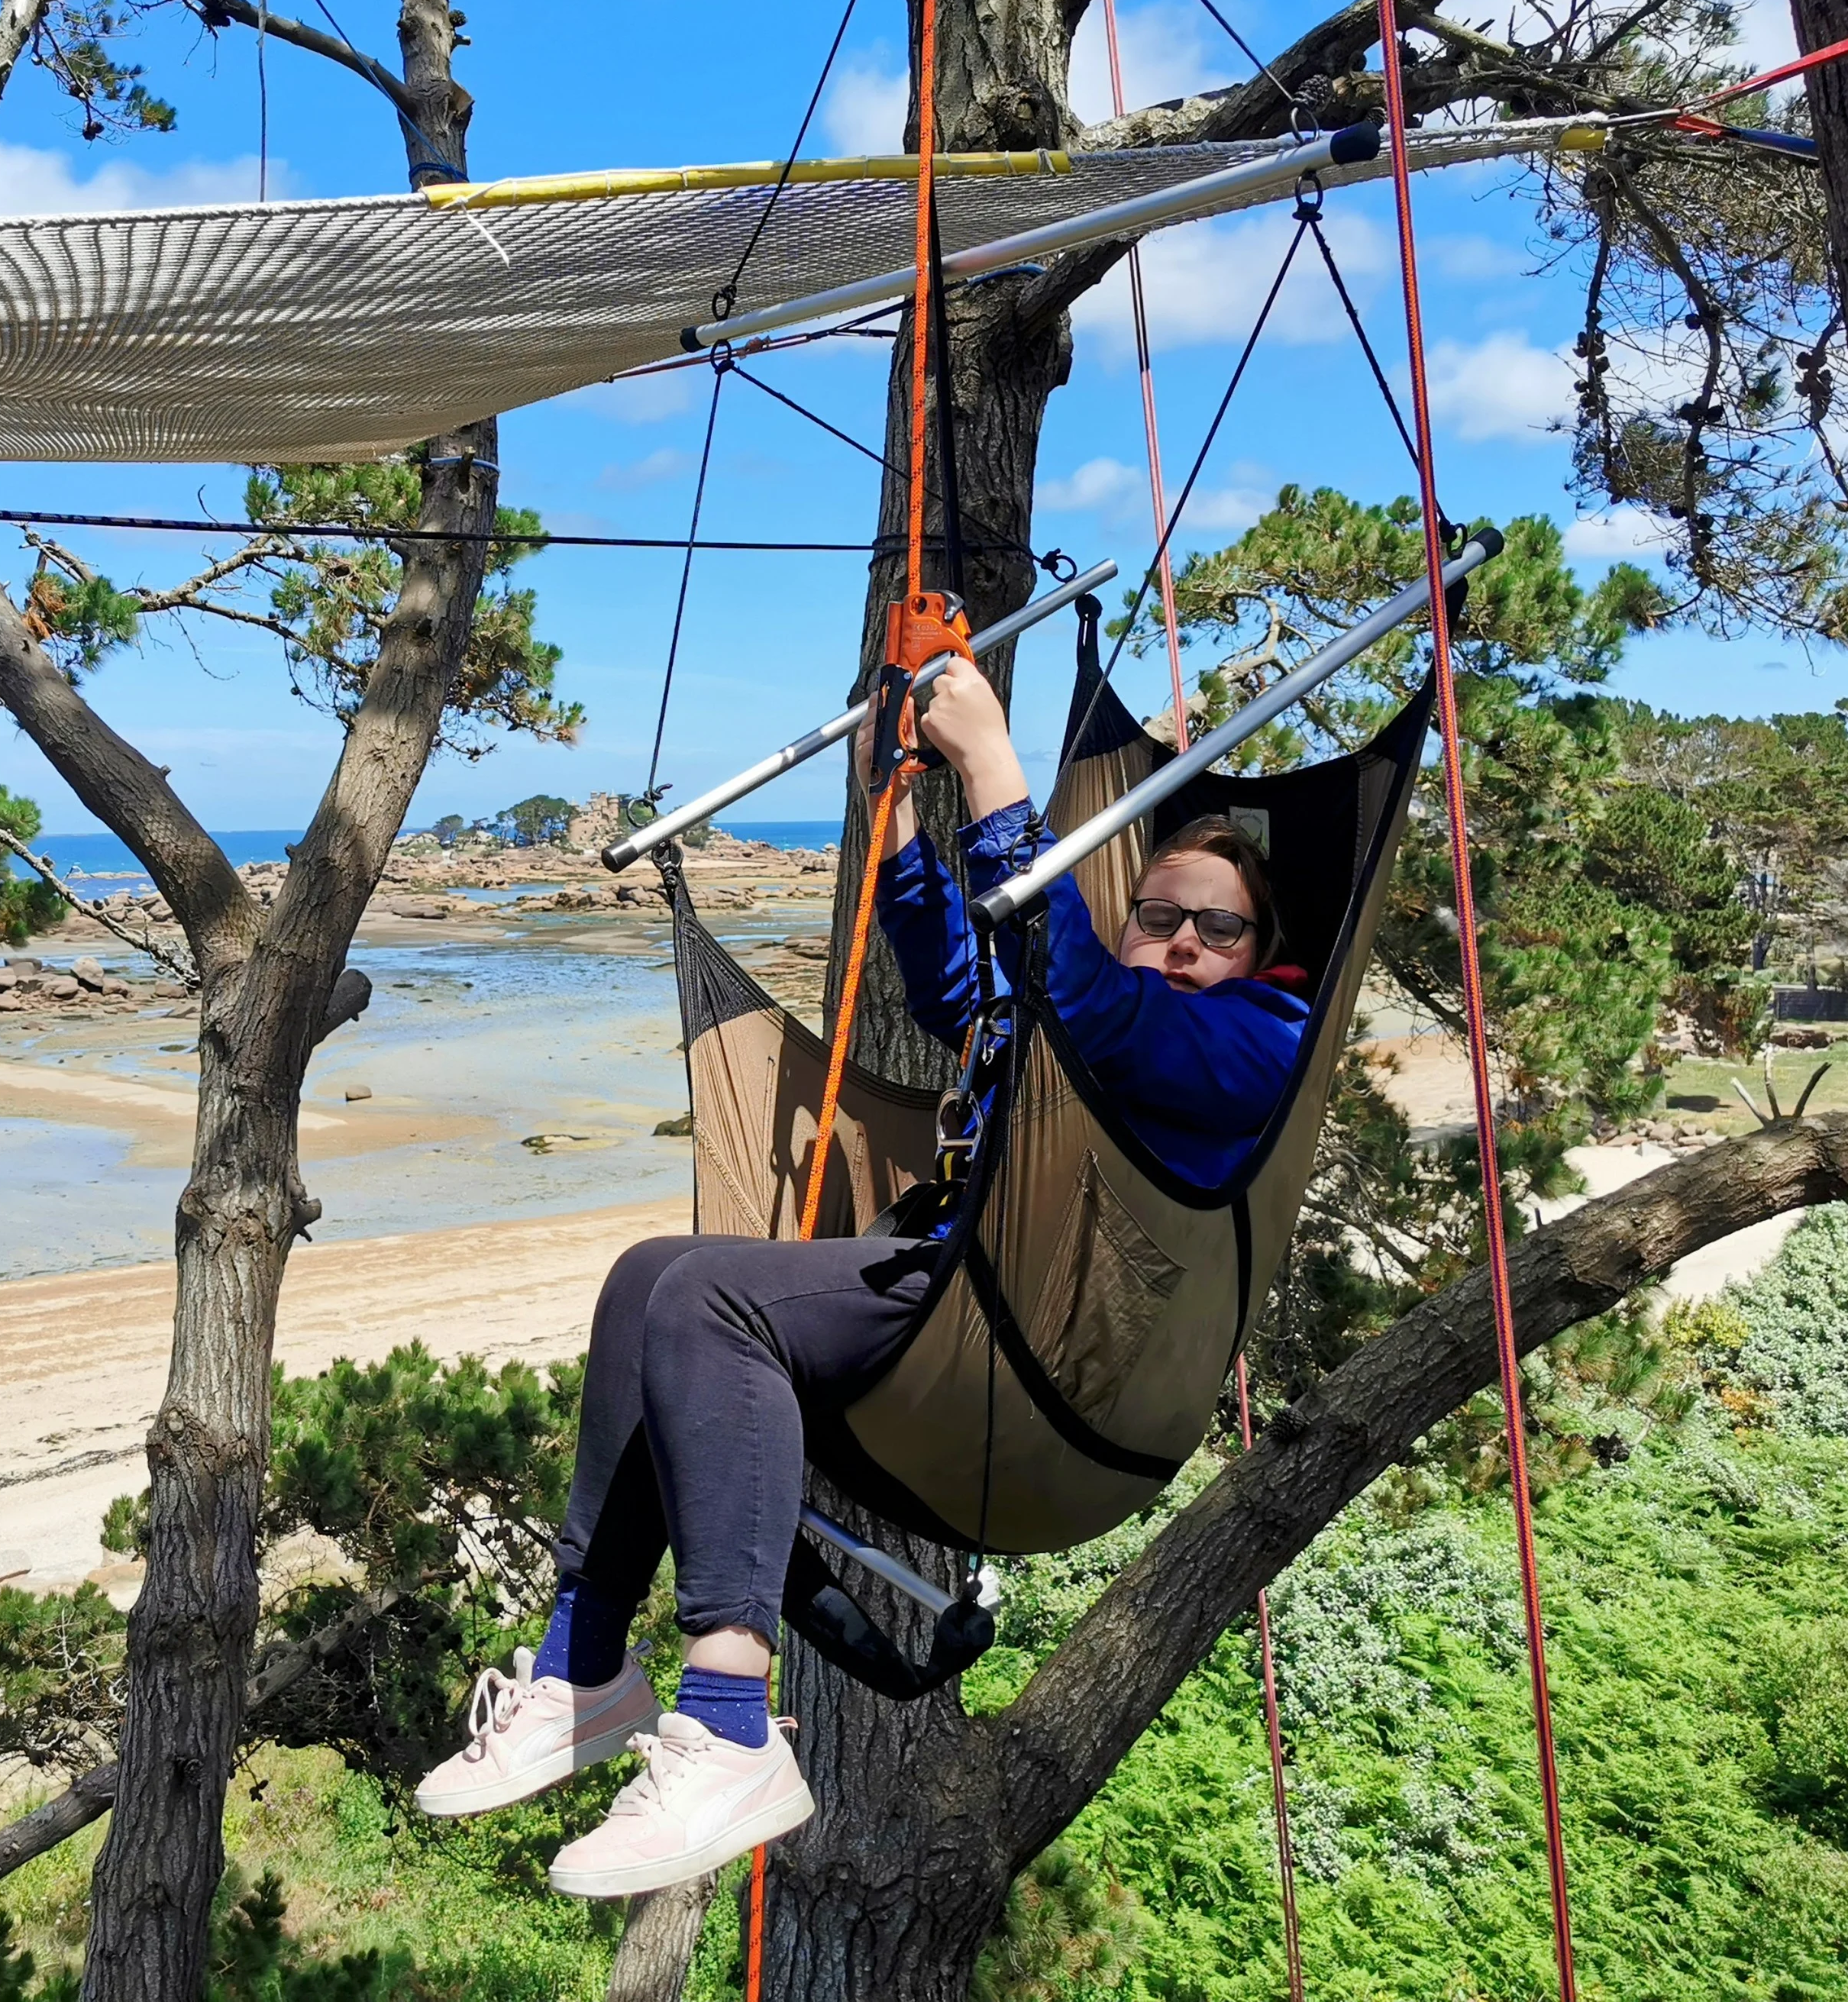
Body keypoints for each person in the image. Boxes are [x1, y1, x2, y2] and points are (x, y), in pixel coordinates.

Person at [413, 656, 1310, 1898]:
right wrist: (893, 818)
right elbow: (963, 986)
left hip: (1041, 1344)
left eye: (1218, 927)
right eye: (1158, 916)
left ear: (1260, 950)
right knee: (647, 1275)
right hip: (947, 1286)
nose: (1182, 943)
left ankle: (729, 1719)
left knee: (711, 1304)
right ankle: (586, 1663)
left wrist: (994, 765)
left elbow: (1090, 1009)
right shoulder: (1084, 1003)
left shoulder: (1253, 1041)